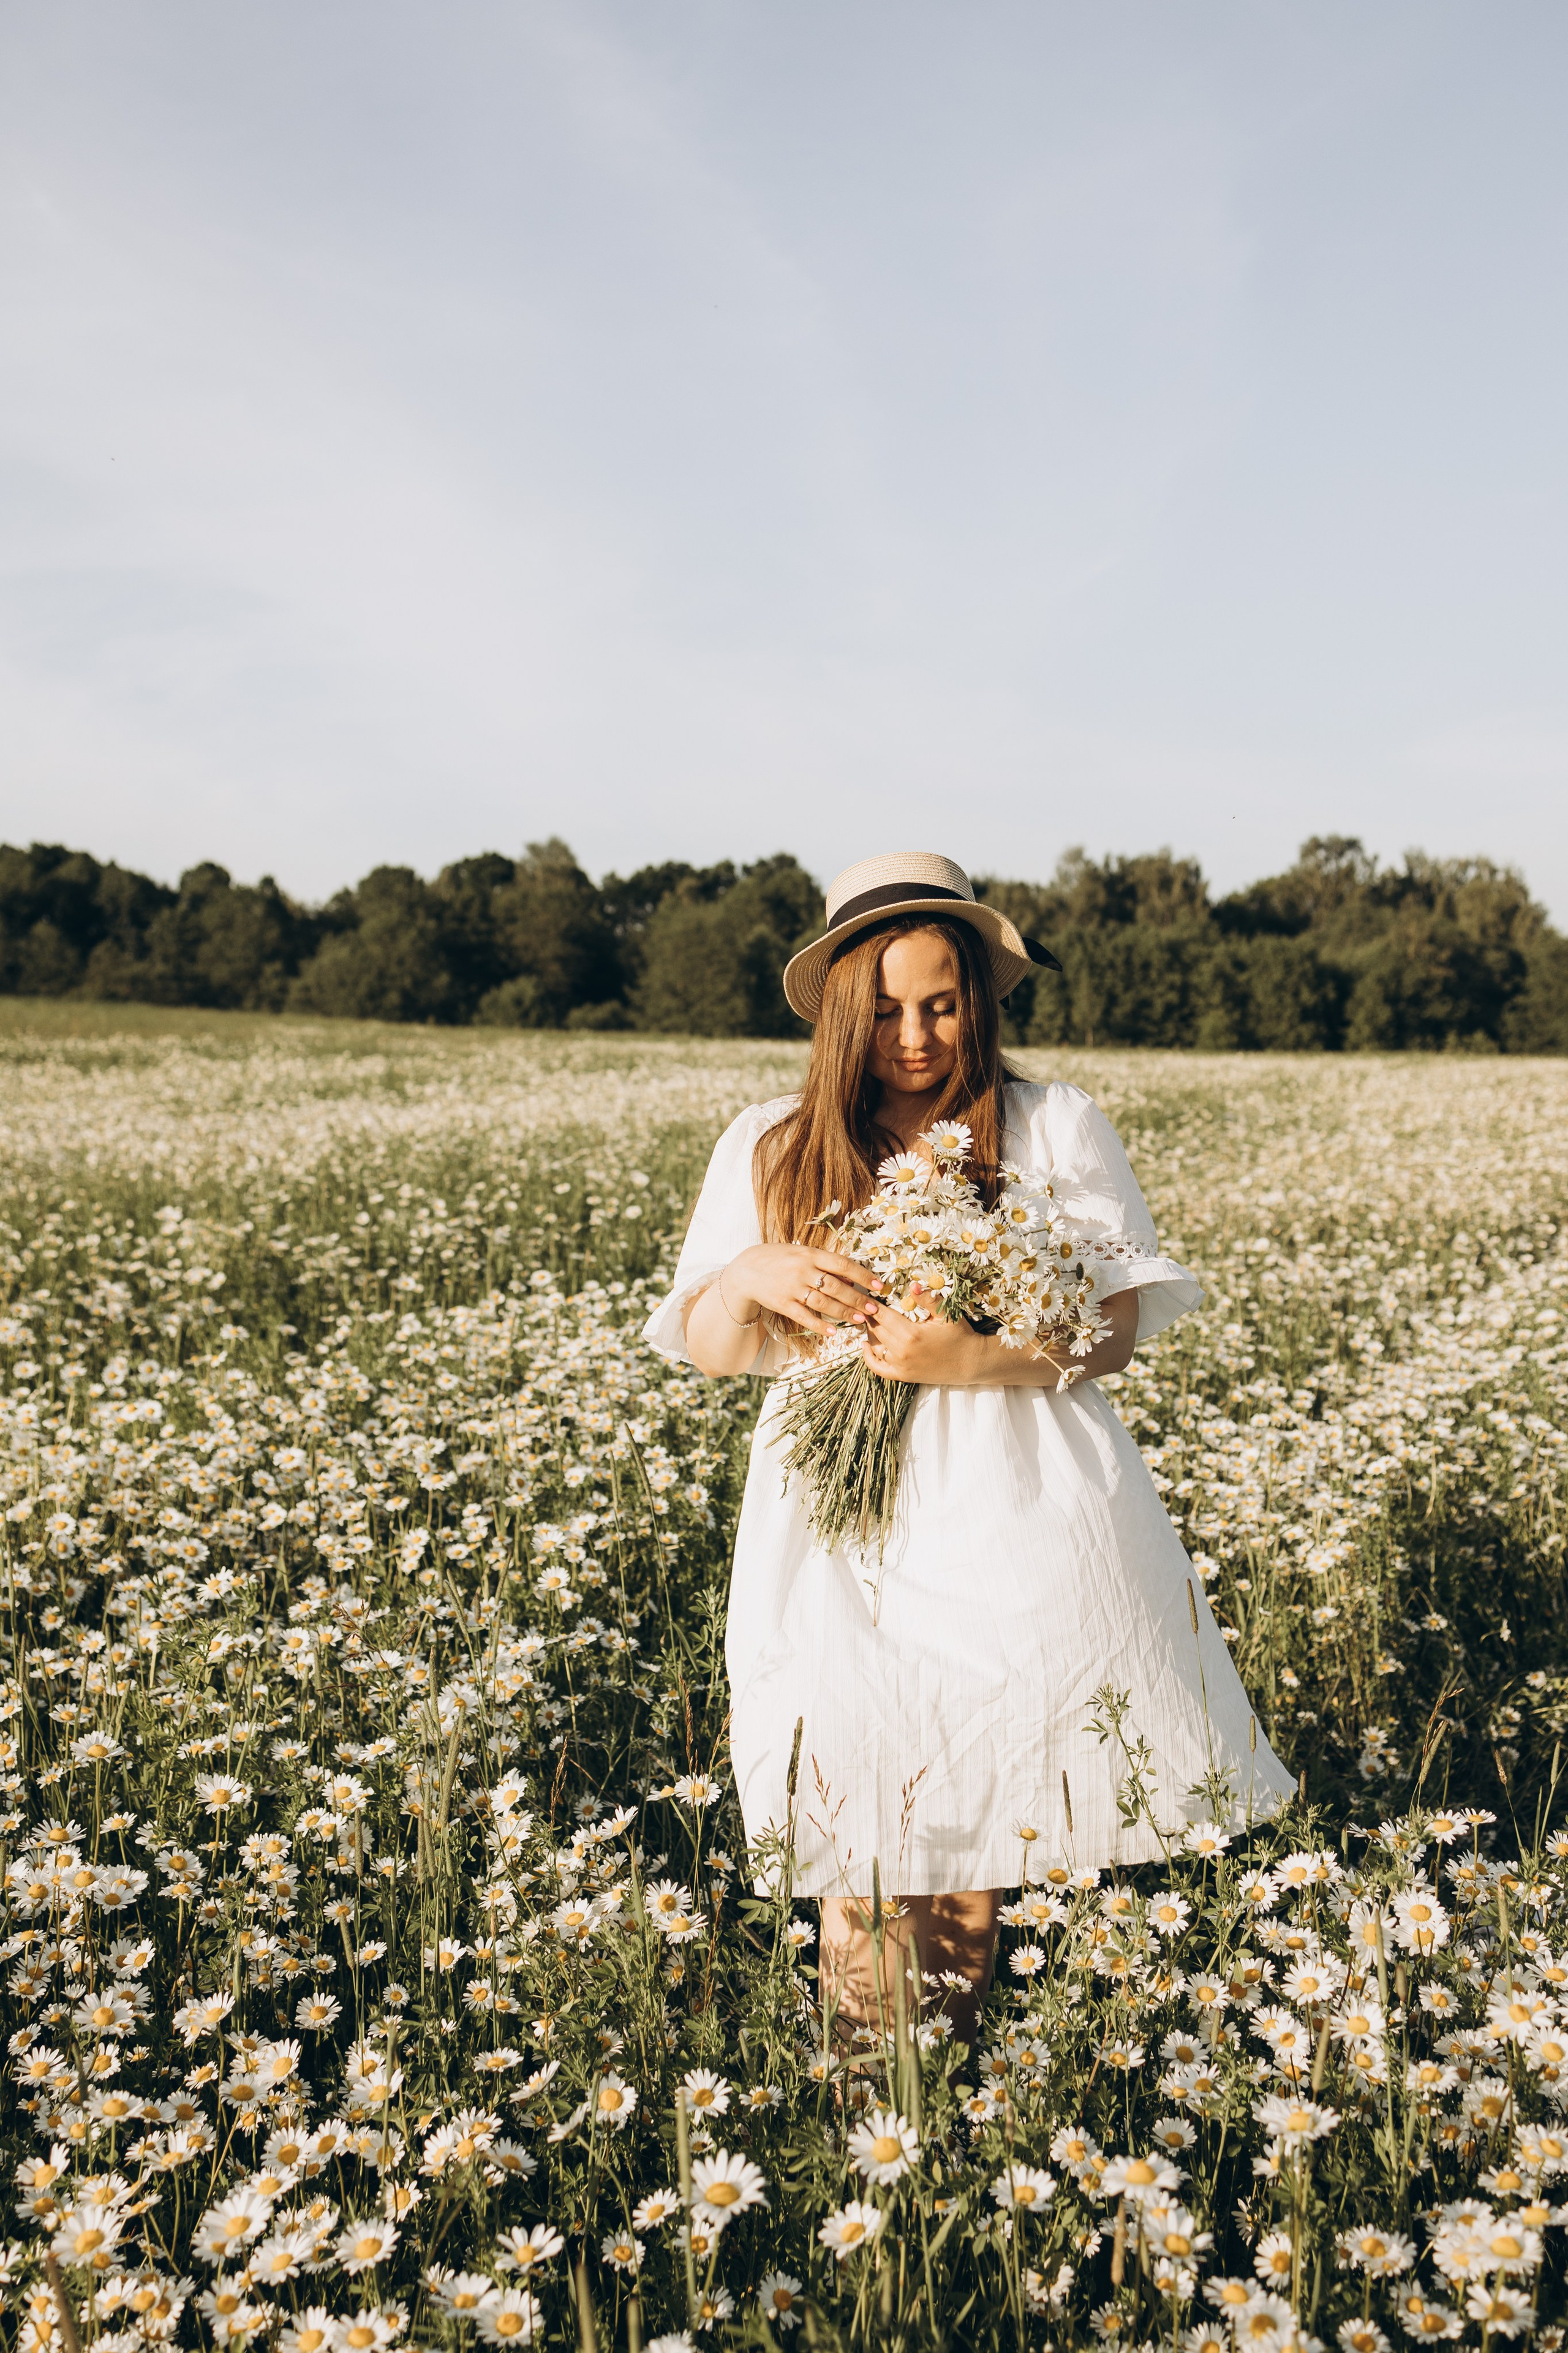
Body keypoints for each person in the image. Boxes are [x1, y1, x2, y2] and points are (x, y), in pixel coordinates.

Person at [643, 851, 1294, 2050]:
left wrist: (964, 1357)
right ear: (842, 1011)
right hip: (838, 1532)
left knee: (971, 1820)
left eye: (939, 1004)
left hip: (1017, 1511)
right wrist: (747, 1277)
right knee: (861, 1829)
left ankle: (934, 2102)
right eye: (884, 1008)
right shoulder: (769, 1143)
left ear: (979, 1000)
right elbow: (706, 1344)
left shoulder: (1052, 1124)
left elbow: (1110, 1333)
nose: (912, 1035)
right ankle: (870, 2120)